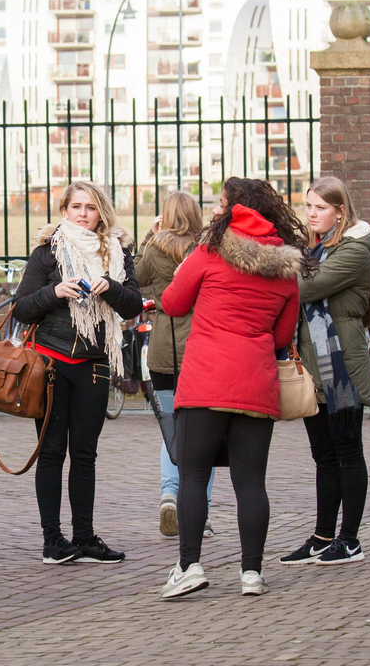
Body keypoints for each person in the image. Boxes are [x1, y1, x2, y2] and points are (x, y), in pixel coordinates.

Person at [159, 177, 307, 600]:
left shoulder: (208, 252)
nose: (215, 210)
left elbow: (172, 303)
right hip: (256, 384)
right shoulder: (284, 269)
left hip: (205, 380)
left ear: (234, 210)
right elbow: (282, 335)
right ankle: (251, 573)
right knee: (251, 481)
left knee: (191, 474)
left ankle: (189, 565)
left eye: (221, 205)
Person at [13, 180, 144, 566]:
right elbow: (22, 308)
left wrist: (111, 288)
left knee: (85, 454)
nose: (83, 214)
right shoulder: (47, 252)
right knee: (51, 452)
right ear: (64, 211)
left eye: (90, 207)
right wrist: (55, 293)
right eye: (75, 207)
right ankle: (53, 540)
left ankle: (84, 537)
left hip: (94, 365)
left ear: (101, 211)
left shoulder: (118, 252)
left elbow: (133, 303)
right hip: (50, 364)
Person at [278, 176, 370, 567]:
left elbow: (306, 288)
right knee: (323, 456)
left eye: (321, 207)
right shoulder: (316, 248)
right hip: (314, 367)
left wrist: (283, 264)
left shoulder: (355, 250)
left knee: (348, 452)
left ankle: (350, 540)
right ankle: (322, 537)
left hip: (342, 367)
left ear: (340, 211)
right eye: (309, 206)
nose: (312, 214)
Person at [134, 190, 214, 538]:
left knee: (173, 432)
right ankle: (201, 514)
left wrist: (150, 236)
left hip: (165, 353)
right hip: (201, 351)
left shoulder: (154, 249)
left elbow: (133, 277)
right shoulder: (207, 249)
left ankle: (169, 493)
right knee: (204, 435)